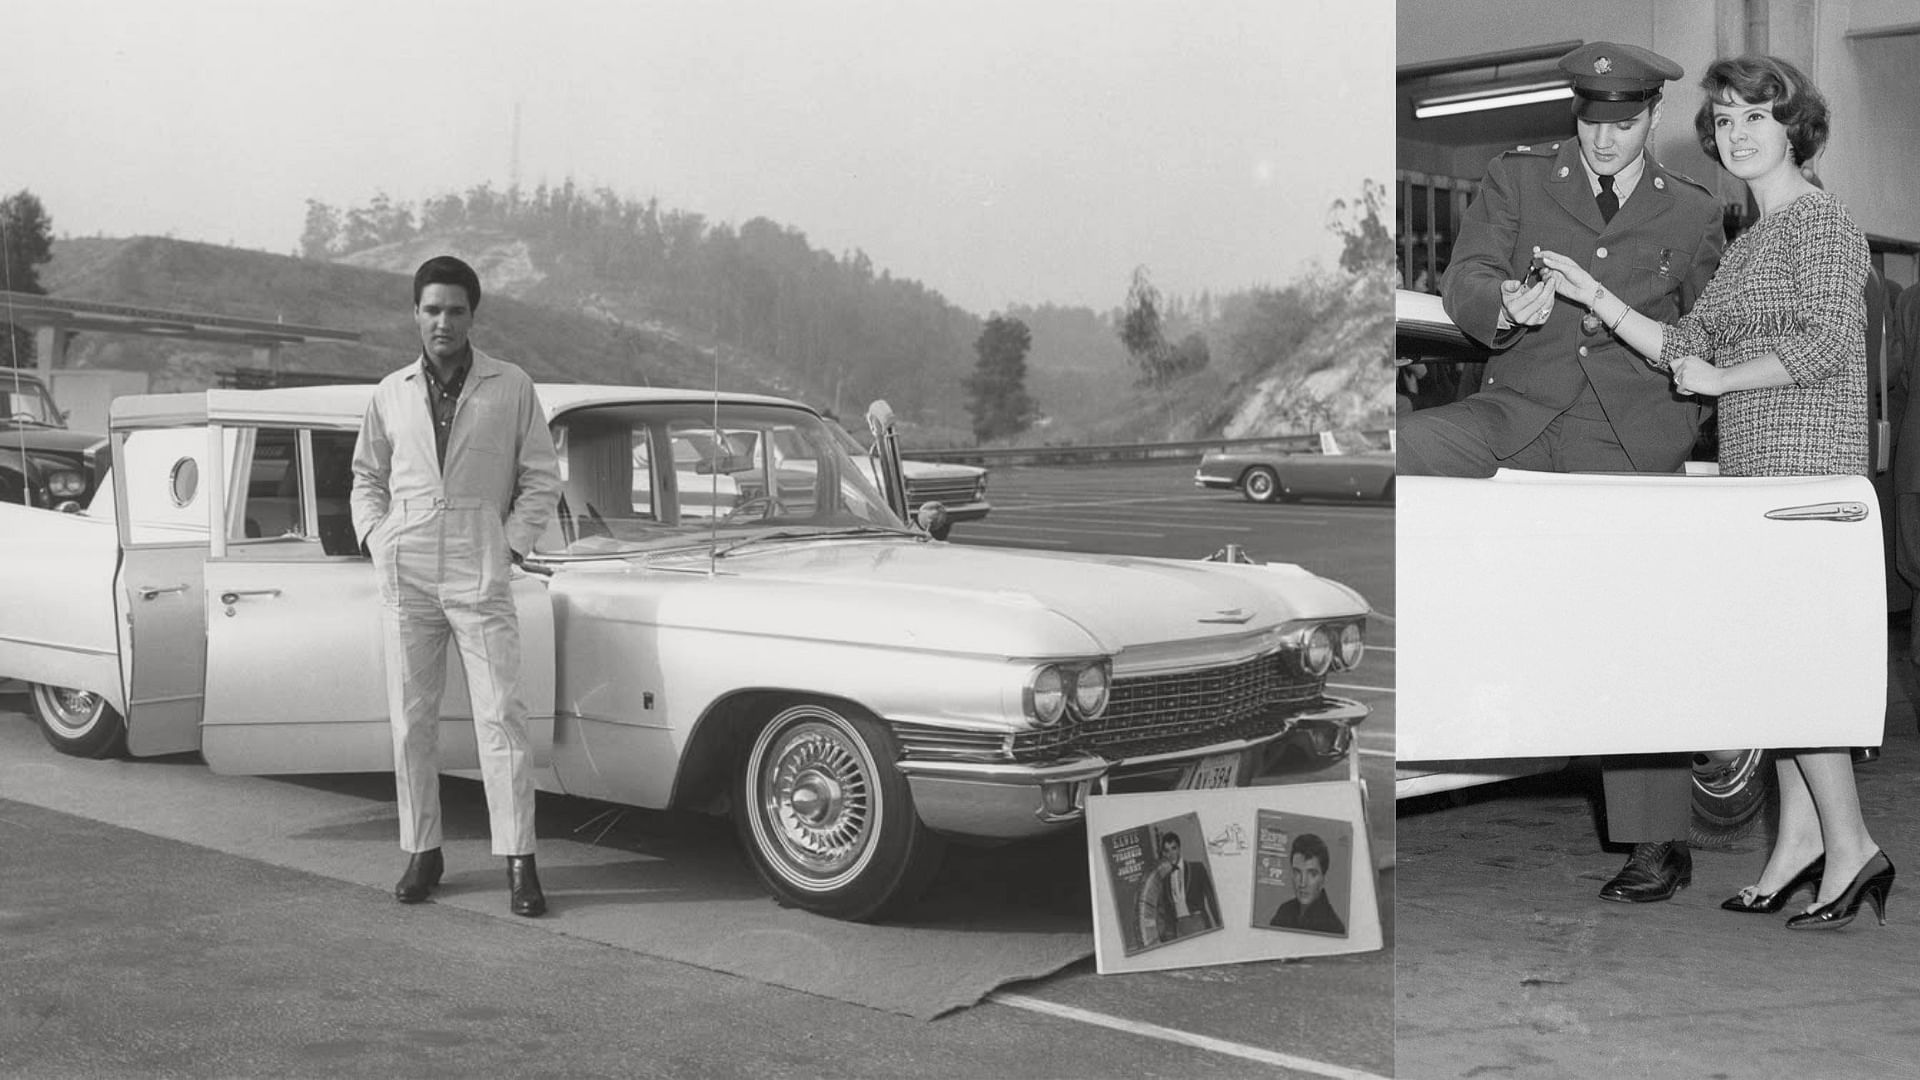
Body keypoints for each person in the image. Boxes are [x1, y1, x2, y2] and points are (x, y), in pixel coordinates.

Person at [1538, 54, 1894, 930]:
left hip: (1806, 465)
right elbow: (1682, 340)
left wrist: (1723, 379)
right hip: (1758, 466)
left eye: (1757, 118)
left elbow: (1820, 347)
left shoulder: (1819, 223)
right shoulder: (1750, 236)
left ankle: (1851, 847)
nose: (1737, 134)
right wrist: (1599, 299)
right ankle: (1800, 847)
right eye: (1725, 120)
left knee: (1793, 669)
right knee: (1776, 659)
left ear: (1795, 129)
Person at [1401, 41, 1726, 906]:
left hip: (1626, 439)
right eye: (1593, 121)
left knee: (1629, 628)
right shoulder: (1520, 179)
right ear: (1574, 112)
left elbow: (1707, 335)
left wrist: (1677, 421)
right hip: (1521, 413)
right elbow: (1465, 271)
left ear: (1651, 118)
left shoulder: (1692, 211)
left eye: (1624, 123)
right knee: (1399, 453)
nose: (1607, 138)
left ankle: (1659, 840)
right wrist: (1499, 305)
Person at [350, 255, 563, 917]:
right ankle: (423, 849)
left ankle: (519, 860)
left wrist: (508, 544)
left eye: (456, 310)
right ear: (415, 314)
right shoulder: (389, 393)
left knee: (501, 714)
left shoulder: (511, 386)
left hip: (479, 561)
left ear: (474, 316)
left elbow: (540, 478)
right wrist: (377, 539)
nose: (443, 322)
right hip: (407, 566)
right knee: (412, 719)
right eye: (432, 309)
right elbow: (366, 478)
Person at [1137, 831, 1220, 944]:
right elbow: (1166, 913)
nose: (1171, 854)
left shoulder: (1197, 868)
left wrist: (1219, 925)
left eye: (1174, 848)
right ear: (1164, 853)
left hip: (1198, 921)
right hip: (1179, 928)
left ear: (1179, 848)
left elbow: (1211, 898)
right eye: (1167, 850)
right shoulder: (1164, 879)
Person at [1270, 833, 1345, 935]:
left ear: (1323, 879)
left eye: (1312, 874)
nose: (1302, 883)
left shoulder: (1333, 927)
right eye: (1297, 872)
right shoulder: (1284, 911)